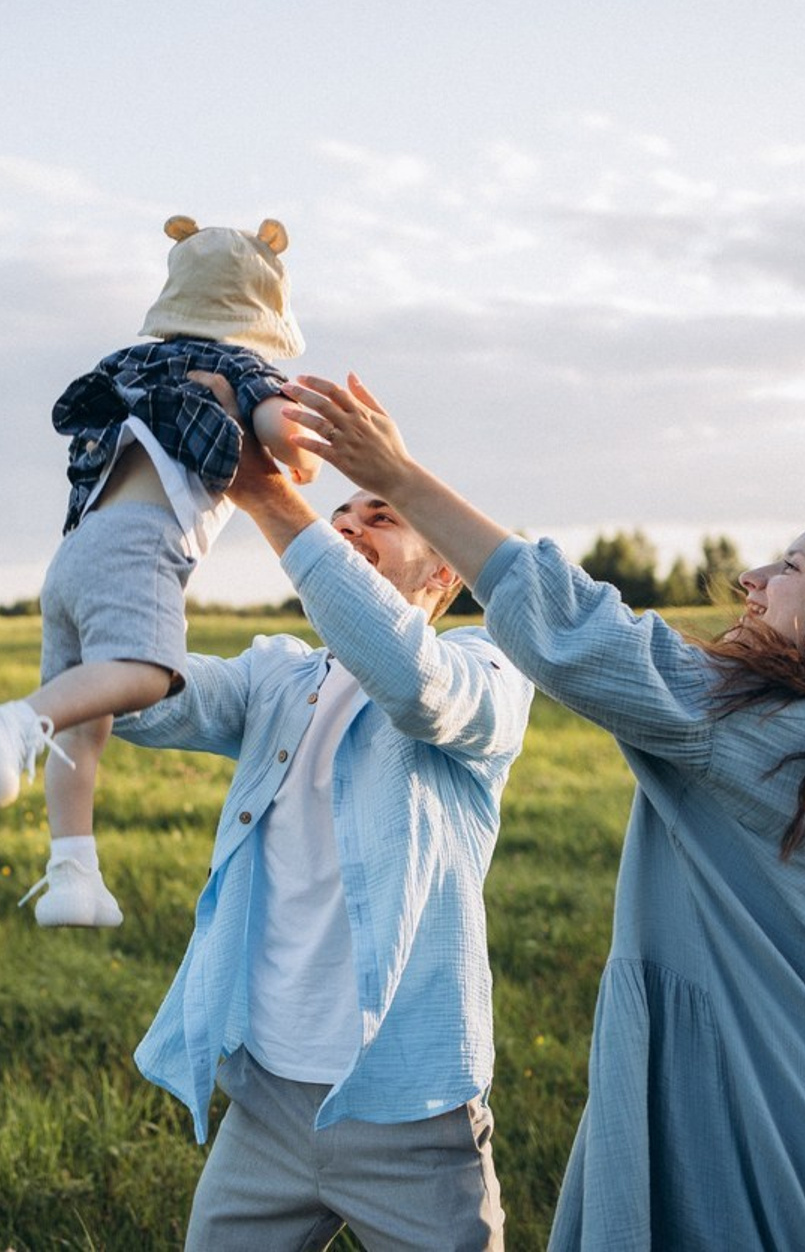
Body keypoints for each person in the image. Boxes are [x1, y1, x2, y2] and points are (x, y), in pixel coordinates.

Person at [284, 372, 805, 1251]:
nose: (751, 578)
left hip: (779, 1157)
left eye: (790, 567)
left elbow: (578, 632)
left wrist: (402, 479)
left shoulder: (761, 736)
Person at [112, 388, 534, 1251]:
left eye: (381, 516)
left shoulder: (487, 669)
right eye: (338, 513)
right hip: (267, 1098)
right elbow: (142, 701)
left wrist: (270, 495)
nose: (346, 524)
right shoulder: (280, 674)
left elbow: (415, 687)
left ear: (442, 574)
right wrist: (127, 516)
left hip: (411, 1109)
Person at [0, 216, 320, 927]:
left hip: (75, 552)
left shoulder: (134, 363)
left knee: (84, 726)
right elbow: (285, 437)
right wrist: (303, 453)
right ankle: (13, 724)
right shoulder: (242, 369)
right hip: (138, 546)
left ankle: (73, 876)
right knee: (149, 675)